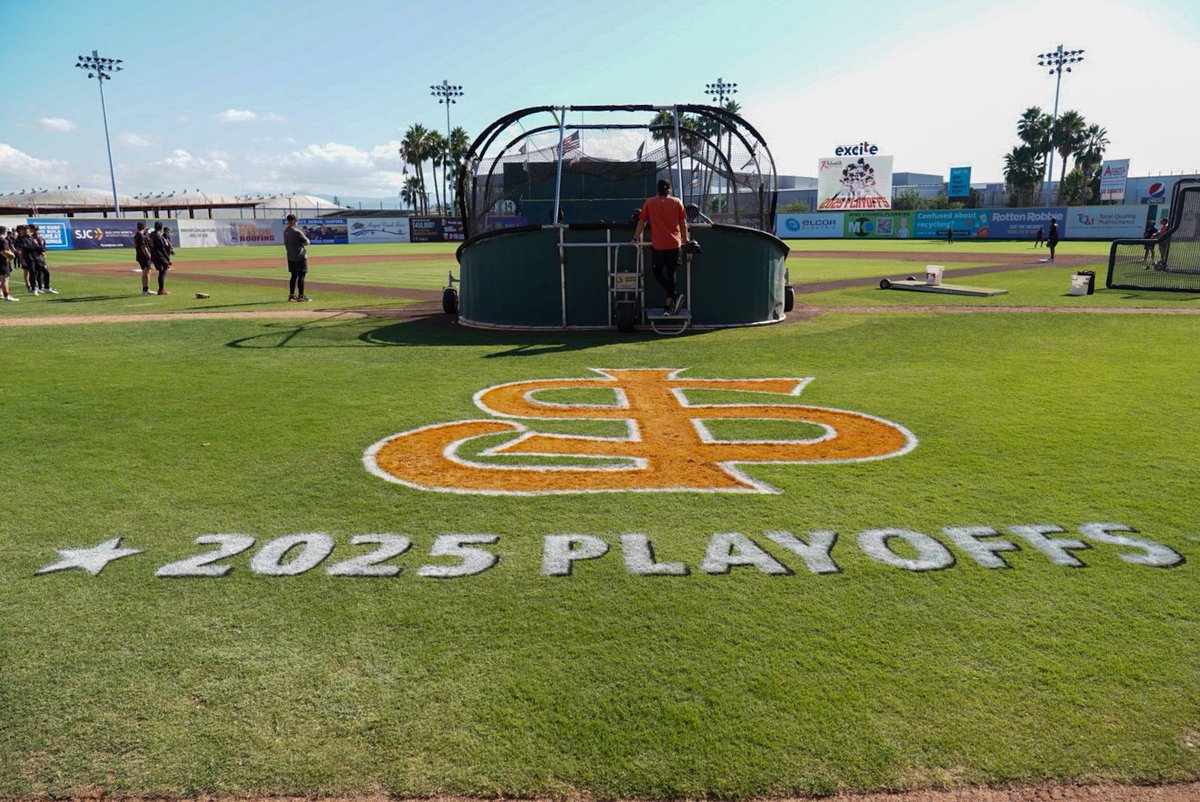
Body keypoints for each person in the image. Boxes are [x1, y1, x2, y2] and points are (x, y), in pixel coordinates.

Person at [632, 179, 689, 314]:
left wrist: (634, 238)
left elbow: (642, 222)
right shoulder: (677, 202)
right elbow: (683, 224)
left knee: (658, 273)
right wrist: (685, 239)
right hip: (675, 244)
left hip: (659, 246)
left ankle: (671, 301)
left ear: (657, 189)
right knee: (671, 274)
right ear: (669, 189)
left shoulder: (650, 202)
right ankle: (670, 303)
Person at [283, 214, 311, 301]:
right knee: (301, 275)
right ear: (294, 221)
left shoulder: (285, 231)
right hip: (300, 256)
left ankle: (291, 295)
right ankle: (301, 296)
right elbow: (306, 242)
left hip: (290, 256)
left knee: (293, 276)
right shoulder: (297, 231)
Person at [24, 225, 55, 294]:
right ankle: (36, 287)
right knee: (35, 273)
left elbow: (43, 247)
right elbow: (30, 247)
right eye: (34, 229)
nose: (36, 231)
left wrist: (43, 249)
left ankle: (46, 287)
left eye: (37, 230)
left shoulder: (40, 237)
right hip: (33, 257)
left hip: (40, 257)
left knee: (46, 271)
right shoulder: (30, 238)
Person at [149, 221, 172, 295]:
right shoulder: (158, 235)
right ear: (161, 227)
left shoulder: (152, 234)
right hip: (160, 256)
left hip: (154, 255)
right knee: (163, 272)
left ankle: (161, 289)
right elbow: (162, 248)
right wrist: (168, 258)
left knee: (161, 272)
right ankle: (161, 290)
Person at [134, 222, 153, 294]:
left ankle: (145, 289)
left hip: (140, 255)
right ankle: (146, 290)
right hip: (144, 256)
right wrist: (149, 256)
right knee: (147, 271)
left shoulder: (137, 234)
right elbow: (143, 247)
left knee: (145, 271)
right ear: (144, 227)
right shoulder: (141, 235)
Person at [0, 226, 17, 302]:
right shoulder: (3, 241)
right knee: (5, 279)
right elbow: (3, 252)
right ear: (4, 232)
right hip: (2, 262)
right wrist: (11, 256)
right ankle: (6, 296)